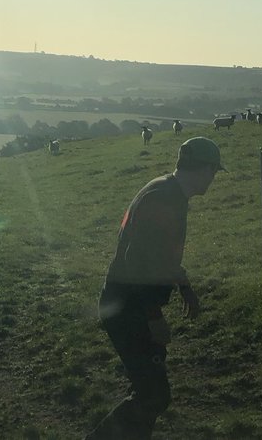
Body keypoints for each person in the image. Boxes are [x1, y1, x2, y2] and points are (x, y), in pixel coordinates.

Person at [87, 136, 226, 439]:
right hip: (128, 308)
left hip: (127, 303)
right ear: (203, 168)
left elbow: (160, 253)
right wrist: (153, 317)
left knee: (148, 392)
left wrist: (183, 283)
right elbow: (137, 260)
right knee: (153, 395)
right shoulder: (165, 199)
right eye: (214, 171)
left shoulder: (167, 190)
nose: (214, 178)